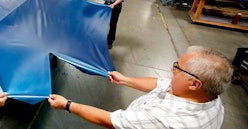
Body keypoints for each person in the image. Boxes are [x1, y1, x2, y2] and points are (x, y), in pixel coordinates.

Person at [48, 46, 234, 129]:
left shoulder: (167, 120)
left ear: (195, 84)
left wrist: (67, 104)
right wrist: (125, 80)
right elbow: (161, 83)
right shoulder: (210, 97)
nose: (172, 70)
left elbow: (111, 121)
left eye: (177, 68)